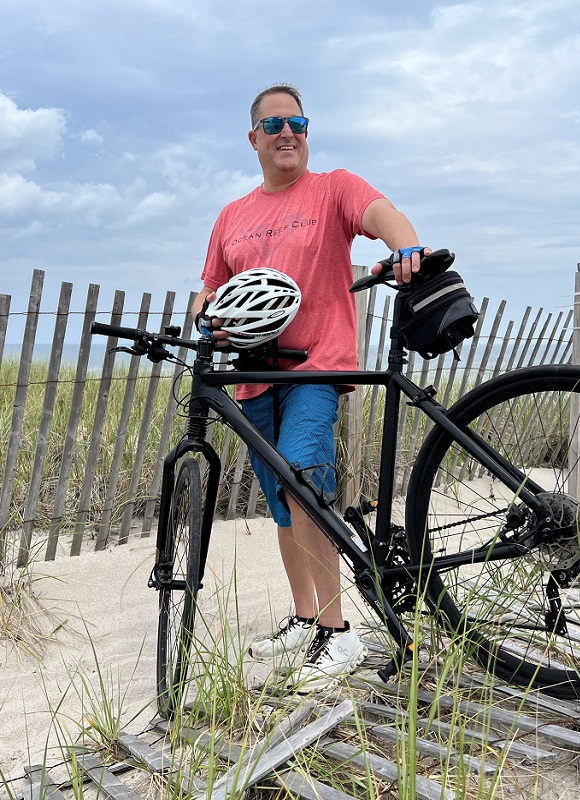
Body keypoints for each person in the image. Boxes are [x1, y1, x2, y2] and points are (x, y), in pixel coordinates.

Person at [192, 83, 429, 693]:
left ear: (307, 130)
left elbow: (382, 214)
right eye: (273, 126)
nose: (287, 133)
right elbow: (209, 285)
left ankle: (339, 632)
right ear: (254, 139)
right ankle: (305, 618)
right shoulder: (232, 216)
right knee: (282, 503)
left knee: (303, 482)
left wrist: (405, 244)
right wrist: (202, 317)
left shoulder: (332, 189)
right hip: (253, 377)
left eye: (296, 122)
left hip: (316, 367)